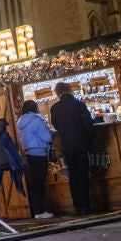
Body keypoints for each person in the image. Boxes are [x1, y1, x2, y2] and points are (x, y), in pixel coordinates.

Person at [50, 81, 95, 215]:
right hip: (81, 144)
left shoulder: (55, 108)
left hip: (67, 146)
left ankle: (77, 206)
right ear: (69, 90)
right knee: (83, 175)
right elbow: (88, 123)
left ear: (58, 92)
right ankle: (85, 206)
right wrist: (91, 141)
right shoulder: (79, 104)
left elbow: (56, 125)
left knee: (73, 177)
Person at [17, 100, 55, 219]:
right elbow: (47, 137)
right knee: (39, 182)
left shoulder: (21, 121)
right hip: (39, 152)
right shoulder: (37, 120)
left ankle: (37, 210)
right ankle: (41, 210)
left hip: (29, 152)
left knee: (35, 183)